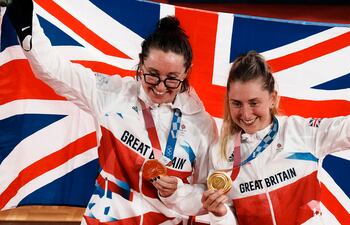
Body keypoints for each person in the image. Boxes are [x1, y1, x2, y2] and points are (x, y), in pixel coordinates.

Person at [6, 0, 217, 224]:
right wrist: (28, 26)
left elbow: (207, 195)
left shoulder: (201, 124)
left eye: (172, 79)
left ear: (187, 73)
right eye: (152, 74)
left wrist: (178, 192)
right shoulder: (113, 94)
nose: (161, 86)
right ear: (141, 64)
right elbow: (55, 71)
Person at [201, 29, 350, 224]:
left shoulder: (301, 132)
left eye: (254, 103)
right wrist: (219, 214)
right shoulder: (221, 152)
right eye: (236, 103)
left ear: (272, 98)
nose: (245, 114)